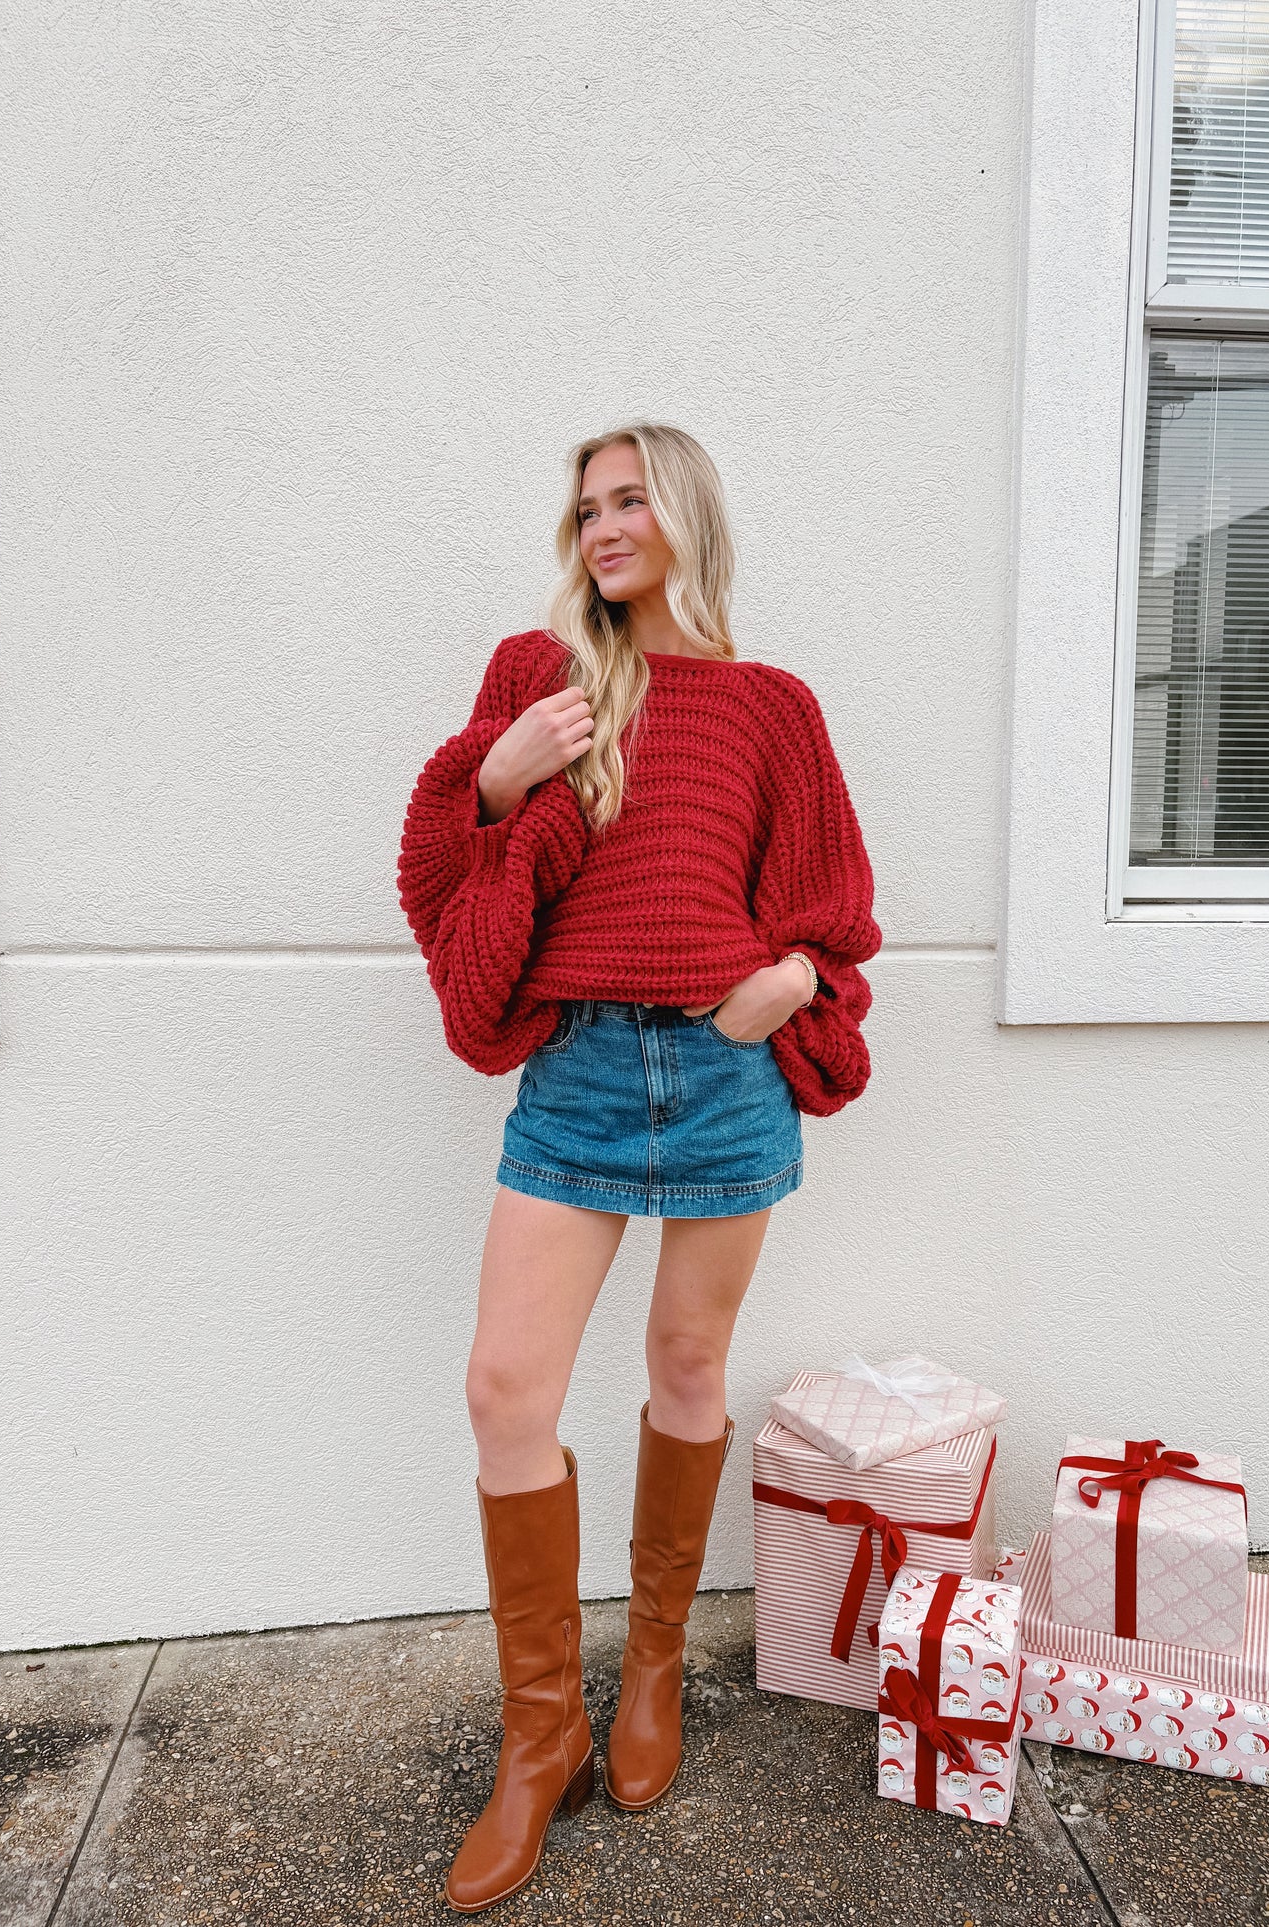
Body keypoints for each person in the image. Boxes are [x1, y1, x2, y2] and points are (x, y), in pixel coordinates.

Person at [396, 421, 881, 1914]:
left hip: (725, 1076)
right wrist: (497, 771)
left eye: (628, 500)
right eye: (586, 505)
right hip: (579, 1077)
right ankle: (540, 1734)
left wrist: (788, 988)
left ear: (682, 516)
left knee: (685, 1370)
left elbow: (831, 911)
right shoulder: (533, 680)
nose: (602, 525)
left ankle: (653, 1665)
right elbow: (436, 867)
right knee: (503, 1391)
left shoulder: (770, 705)